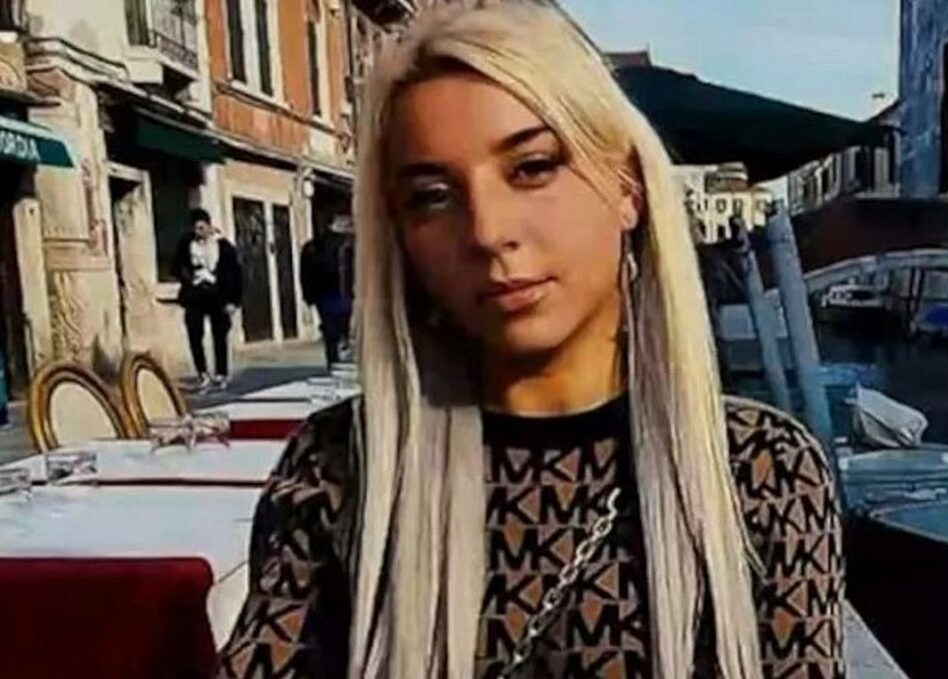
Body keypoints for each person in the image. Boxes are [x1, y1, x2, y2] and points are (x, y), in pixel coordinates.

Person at [217, 3, 844, 678]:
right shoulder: (340, 470)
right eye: (433, 196)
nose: (488, 232)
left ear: (628, 188)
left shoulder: (763, 473)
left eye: (533, 167)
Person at [172, 208, 242, 391]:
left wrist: (233, 301)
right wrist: (188, 276)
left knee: (220, 334)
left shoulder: (224, 246)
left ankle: (221, 373)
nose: (199, 232)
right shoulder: (186, 244)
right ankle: (202, 373)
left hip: (218, 294)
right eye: (196, 229)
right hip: (195, 294)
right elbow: (176, 266)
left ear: (209, 227)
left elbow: (235, 274)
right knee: (194, 334)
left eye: (202, 228)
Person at [300, 214, 356, 367]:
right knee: (343, 326)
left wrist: (308, 295)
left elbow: (305, 274)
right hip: (343, 293)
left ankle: (334, 358)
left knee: (330, 328)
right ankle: (342, 352)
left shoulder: (311, 247)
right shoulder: (347, 244)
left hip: (324, 296)